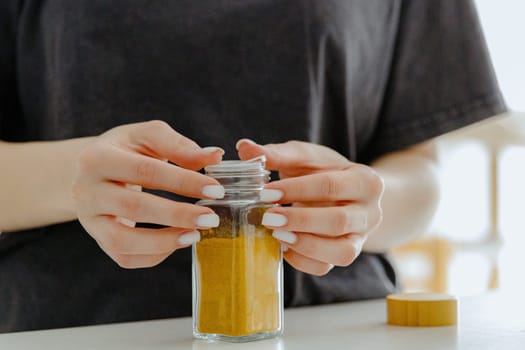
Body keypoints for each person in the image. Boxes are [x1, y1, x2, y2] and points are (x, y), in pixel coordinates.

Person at [0, 0, 505, 333]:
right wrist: (73, 177)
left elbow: (420, 170)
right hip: (70, 328)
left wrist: (360, 205)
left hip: (332, 328)